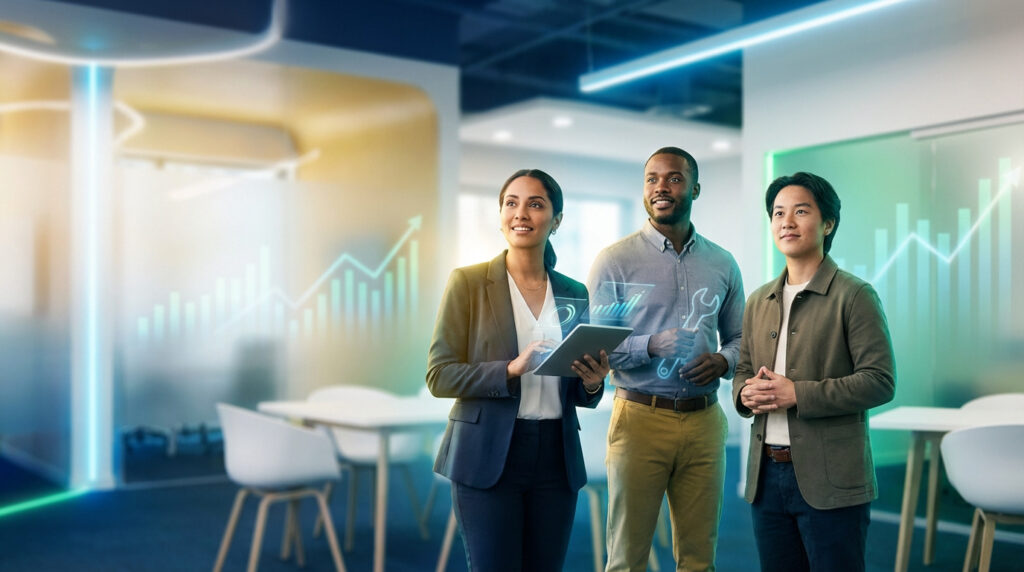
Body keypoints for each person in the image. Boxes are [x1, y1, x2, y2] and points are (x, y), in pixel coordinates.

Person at [426, 168, 611, 572]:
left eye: (536, 204)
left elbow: (577, 388)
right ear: (500, 215)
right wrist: (510, 369)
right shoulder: (469, 283)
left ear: (556, 221)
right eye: (512, 203)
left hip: (555, 457)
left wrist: (593, 384)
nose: (521, 213)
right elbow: (439, 375)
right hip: (489, 454)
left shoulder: (573, 291)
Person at [587, 147, 744, 572]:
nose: (661, 187)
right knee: (627, 558)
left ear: (694, 188)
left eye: (673, 178)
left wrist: (724, 362)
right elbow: (595, 348)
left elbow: (740, 338)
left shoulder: (722, 262)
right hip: (640, 417)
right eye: (652, 179)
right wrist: (650, 344)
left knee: (699, 558)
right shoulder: (614, 261)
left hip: (705, 420)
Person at [732, 172, 896, 572]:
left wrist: (797, 394)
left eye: (800, 211)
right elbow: (744, 370)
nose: (786, 221)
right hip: (766, 477)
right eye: (778, 213)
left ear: (828, 224)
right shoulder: (759, 300)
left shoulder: (854, 295)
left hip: (831, 479)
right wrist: (744, 394)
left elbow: (880, 380)